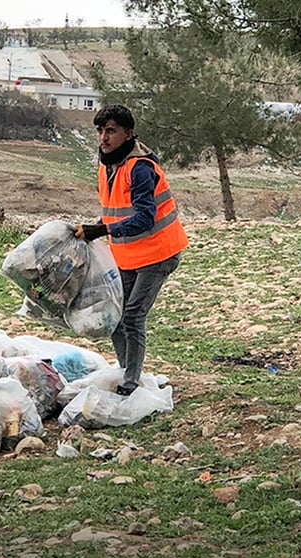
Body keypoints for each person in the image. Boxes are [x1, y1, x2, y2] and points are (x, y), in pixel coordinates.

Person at [75, 105, 188, 396]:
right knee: (115, 315)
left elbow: (144, 217)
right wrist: (96, 227)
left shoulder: (140, 169)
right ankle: (126, 370)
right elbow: (115, 212)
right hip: (128, 254)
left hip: (159, 252)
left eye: (111, 131)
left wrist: (101, 231)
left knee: (133, 316)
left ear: (128, 134)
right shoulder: (107, 166)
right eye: (100, 131)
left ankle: (131, 381)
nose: (104, 137)